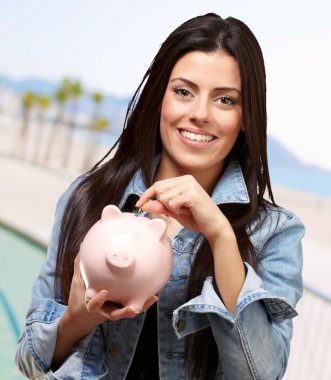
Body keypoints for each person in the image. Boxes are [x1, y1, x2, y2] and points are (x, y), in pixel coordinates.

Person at [16, 12, 304, 380]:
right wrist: (79, 319)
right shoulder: (87, 197)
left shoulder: (275, 233)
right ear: (160, 98)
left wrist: (220, 236)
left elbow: (259, 375)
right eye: (183, 92)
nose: (199, 114)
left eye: (225, 100)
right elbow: (28, 360)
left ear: (246, 117)